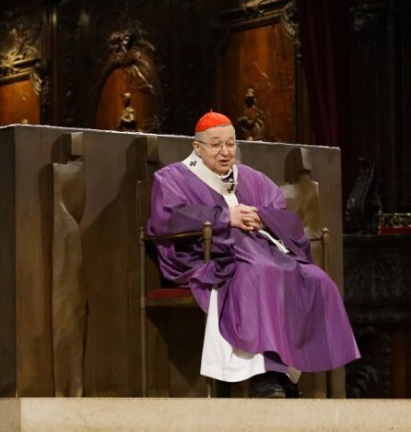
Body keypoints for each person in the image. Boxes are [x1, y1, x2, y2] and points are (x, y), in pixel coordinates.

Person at [146, 111, 359, 398]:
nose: (225, 152)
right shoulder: (172, 178)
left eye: (231, 144)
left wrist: (262, 219)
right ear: (197, 147)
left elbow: (278, 210)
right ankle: (264, 376)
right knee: (257, 272)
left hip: (257, 249)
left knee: (315, 278)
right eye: (216, 145)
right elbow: (167, 217)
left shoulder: (251, 178)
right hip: (209, 253)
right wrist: (225, 217)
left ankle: (288, 371)